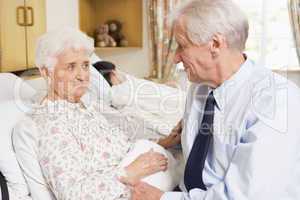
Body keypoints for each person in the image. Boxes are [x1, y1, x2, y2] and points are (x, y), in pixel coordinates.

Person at [130, 0, 300, 199]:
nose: (175, 58)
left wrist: (162, 198)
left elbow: (245, 195)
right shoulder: (200, 87)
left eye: (182, 46)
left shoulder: (277, 100)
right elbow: (204, 152)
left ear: (216, 44)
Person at [12, 28, 173, 200]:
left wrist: (163, 143)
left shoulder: (85, 106)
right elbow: (73, 194)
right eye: (71, 67)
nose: (82, 76)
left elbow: (119, 146)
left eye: (85, 65)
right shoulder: (50, 123)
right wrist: (129, 172)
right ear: (46, 72)